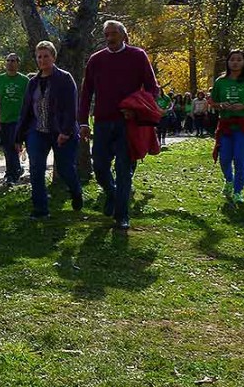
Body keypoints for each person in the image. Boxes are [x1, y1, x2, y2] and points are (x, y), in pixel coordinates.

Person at [78, 20, 159, 232]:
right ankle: (112, 194)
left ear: (124, 35)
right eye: (107, 34)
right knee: (100, 167)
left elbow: (152, 88)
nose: (110, 38)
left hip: (128, 123)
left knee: (124, 169)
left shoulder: (138, 56)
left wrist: (137, 107)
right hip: (103, 122)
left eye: (114, 33)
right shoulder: (96, 60)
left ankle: (122, 216)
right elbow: (87, 92)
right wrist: (83, 121)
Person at [15, 41, 82, 219]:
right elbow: (26, 111)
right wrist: (18, 138)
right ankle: (40, 209)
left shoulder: (65, 78)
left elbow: (71, 107)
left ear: (53, 57)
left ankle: (76, 191)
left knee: (65, 168)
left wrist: (66, 131)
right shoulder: (33, 82)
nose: (43, 60)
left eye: (46, 56)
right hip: (38, 131)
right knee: (36, 168)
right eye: (39, 57)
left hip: (62, 132)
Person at [210, 50, 244, 204]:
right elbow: (213, 102)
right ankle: (229, 180)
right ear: (227, 62)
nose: (235, 62)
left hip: (243, 125)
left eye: (239, 60)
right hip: (225, 125)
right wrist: (221, 105)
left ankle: (238, 192)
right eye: (232, 59)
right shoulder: (220, 81)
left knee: (240, 159)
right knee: (225, 159)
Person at [0, 53, 30, 185]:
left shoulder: (24, 81)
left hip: (19, 119)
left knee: (14, 145)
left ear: (18, 63)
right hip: (4, 119)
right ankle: (13, 171)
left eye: (13, 60)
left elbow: (29, 100)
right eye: (8, 60)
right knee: (7, 147)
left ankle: (12, 173)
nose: (10, 63)